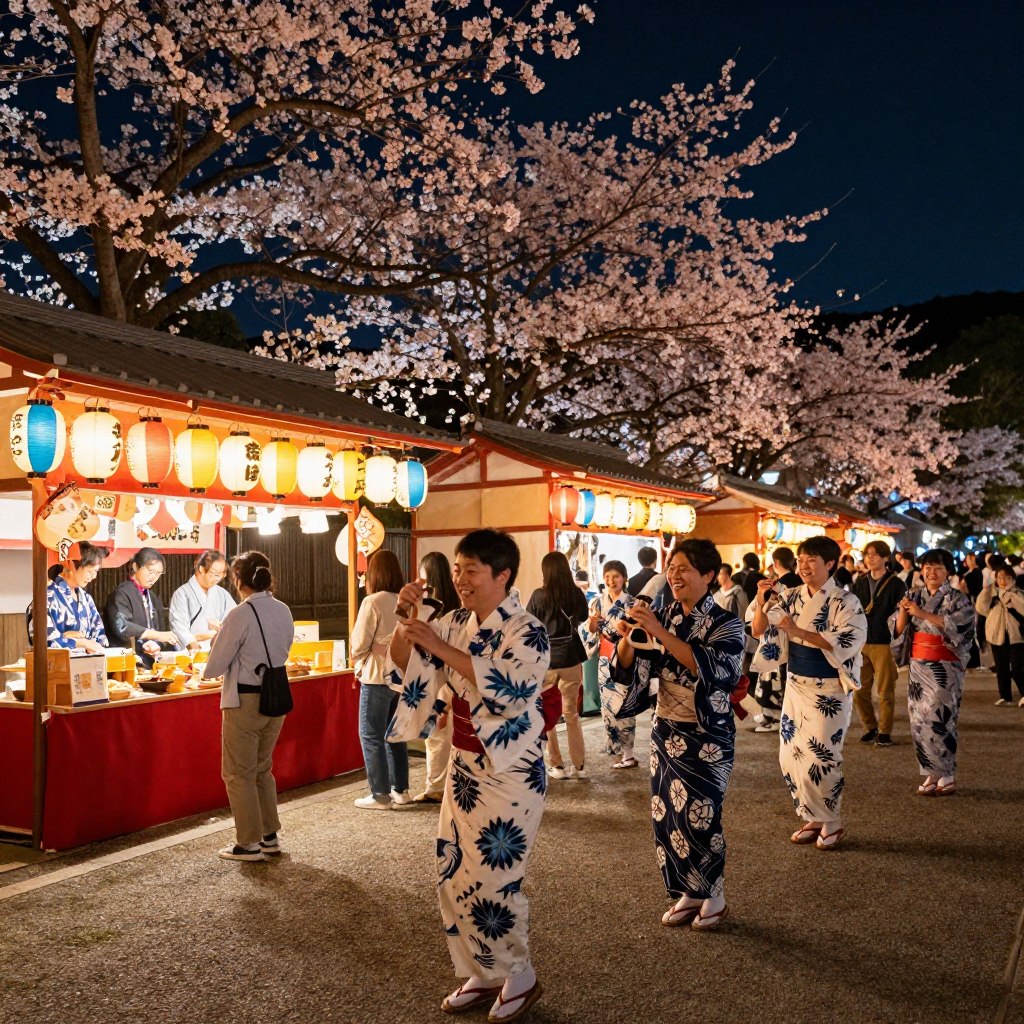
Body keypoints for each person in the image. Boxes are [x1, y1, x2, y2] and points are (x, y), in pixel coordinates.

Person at [386, 529, 549, 1022]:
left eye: (471, 570)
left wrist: (436, 641)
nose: (460, 579)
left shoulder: (527, 629)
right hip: (463, 766)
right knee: (453, 872)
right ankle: (482, 971)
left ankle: (519, 975)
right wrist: (406, 620)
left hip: (511, 770)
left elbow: (512, 688)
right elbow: (406, 663)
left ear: (503, 575)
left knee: (496, 879)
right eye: (457, 569)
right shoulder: (454, 621)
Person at [612, 539, 744, 930]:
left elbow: (717, 671)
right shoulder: (663, 614)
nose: (674, 574)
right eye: (672, 568)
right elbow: (633, 664)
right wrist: (628, 637)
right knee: (667, 814)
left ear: (707, 576)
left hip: (707, 733)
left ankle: (714, 895)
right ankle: (689, 891)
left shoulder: (726, 623)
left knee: (701, 816)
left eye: (684, 568)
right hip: (666, 728)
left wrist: (658, 631)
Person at [751, 535, 867, 850]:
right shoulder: (789, 595)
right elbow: (758, 630)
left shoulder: (846, 601)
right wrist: (762, 601)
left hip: (829, 688)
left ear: (830, 564)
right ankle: (812, 816)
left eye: (811, 560)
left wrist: (797, 631)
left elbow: (847, 641)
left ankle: (832, 820)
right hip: (797, 684)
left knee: (822, 756)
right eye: (801, 559)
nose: (803, 565)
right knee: (791, 756)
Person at [204, 551, 294, 861]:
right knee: (261, 769)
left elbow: (214, 667)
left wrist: (217, 641)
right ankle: (269, 836)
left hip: (245, 699)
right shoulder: (283, 610)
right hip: (276, 696)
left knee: (238, 773)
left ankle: (248, 843)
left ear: (238, 580)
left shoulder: (240, 614)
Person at [890, 548, 975, 796]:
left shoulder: (958, 599)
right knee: (919, 720)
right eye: (927, 567)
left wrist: (922, 613)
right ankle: (931, 773)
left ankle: (946, 774)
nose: (931, 572)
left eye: (938, 567)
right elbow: (898, 629)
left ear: (948, 572)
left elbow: (961, 626)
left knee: (941, 718)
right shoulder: (914, 595)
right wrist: (905, 612)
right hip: (919, 666)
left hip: (944, 667)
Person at [352, 549, 409, 809]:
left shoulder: (372, 601)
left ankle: (380, 794)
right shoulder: (405, 601)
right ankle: (401, 789)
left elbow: (360, 642)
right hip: (401, 674)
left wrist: (357, 657)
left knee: (371, 734)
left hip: (376, 674)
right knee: (394, 733)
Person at [527, 551, 591, 780]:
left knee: (548, 713)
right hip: (571, 657)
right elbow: (583, 617)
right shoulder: (575, 593)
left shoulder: (538, 595)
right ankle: (579, 765)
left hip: (547, 662)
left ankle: (556, 765)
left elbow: (529, 624)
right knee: (571, 713)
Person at [412, 551, 462, 804]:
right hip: (456, 679)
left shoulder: (432, 609)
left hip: (439, 680)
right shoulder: (458, 606)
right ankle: (448, 784)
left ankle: (435, 787)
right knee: (452, 735)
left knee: (437, 735)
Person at [580, 559, 638, 769]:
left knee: (624, 704)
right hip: (605, 657)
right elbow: (587, 629)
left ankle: (629, 754)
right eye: (607, 577)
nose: (611, 581)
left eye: (615, 577)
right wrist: (591, 626)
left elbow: (640, 630)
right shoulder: (597, 602)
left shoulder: (633, 603)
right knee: (607, 707)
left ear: (624, 578)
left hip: (625, 655)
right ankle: (615, 751)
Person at [851, 541, 907, 747]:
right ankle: (869, 727)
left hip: (884, 642)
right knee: (859, 689)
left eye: (875, 555)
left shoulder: (897, 584)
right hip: (862, 641)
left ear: (885, 558)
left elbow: (901, 614)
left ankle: (884, 731)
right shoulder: (861, 581)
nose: (870, 558)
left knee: (885, 691)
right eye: (867, 554)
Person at [104, 547, 180, 666]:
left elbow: (160, 629)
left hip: (151, 660)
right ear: (136, 567)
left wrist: (156, 644)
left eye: (158, 573)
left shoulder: (153, 597)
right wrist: (154, 635)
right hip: (127, 661)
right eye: (150, 571)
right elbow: (121, 626)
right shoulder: (121, 593)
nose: (153, 577)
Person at [28, 541, 108, 653]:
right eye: (90, 571)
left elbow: (100, 638)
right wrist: (81, 642)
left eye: (96, 571)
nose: (93, 576)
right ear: (71, 565)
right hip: (57, 668)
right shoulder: (47, 597)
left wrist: (69, 638)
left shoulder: (86, 599)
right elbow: (44, 641)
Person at [168, 549, 236, 655]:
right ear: (201, 569)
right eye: (214, 573)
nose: (217, 578)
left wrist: (222, 626)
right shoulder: (182, 593)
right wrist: (193, 646)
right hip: (191, 653)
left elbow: (235, 619)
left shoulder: (222, 594)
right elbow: (179, 626)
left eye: (221, 575)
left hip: (218, 652)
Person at [976, 565, 1024, 707]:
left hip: (1017, 636)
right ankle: (1005, 696)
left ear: (1012, 578)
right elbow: (981, 608)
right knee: (1001, 668)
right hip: (996, 634)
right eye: (999, 578)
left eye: (1006, 577)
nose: (1002, 581)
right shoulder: (992, 593)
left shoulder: (1019, 593)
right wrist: (986, 590)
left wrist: (1010, 595)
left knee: (1018, 668)